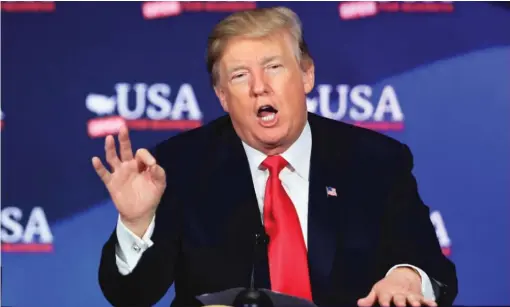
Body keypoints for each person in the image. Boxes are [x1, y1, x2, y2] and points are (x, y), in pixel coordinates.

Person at [93, 6, 457, 307]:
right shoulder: (181, 165)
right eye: (239, 76)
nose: (258, 87)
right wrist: (136, 223)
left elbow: (433, 269)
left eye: (273, 67)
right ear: (222, 96)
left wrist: (408, 277)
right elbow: (131, 297)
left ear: (306, 75)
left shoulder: (375, 161)